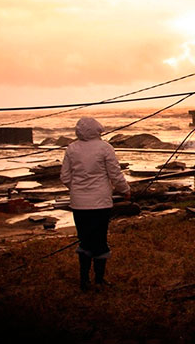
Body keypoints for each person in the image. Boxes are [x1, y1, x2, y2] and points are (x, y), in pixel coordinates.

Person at [60, 117, 131, 291]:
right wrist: (125, 190)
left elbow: (65, 177)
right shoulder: (105, 148)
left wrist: (76, 189)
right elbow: (115, 174)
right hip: (100, 203)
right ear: (97, 130)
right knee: (100, 240)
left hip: (78, 204)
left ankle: (84, 280)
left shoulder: (71, 148)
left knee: (84, 240)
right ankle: (99, 280)